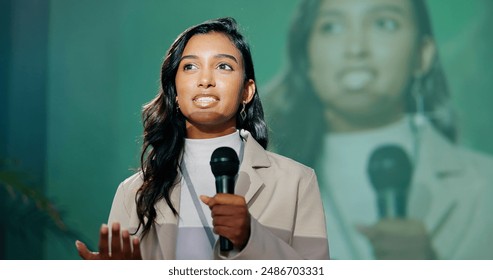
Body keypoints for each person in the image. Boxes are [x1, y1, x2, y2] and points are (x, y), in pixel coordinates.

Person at [75, 17, 329, 260]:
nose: (205, 81)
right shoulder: (134, 192)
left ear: (246, 91)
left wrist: (252, 237)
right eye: (190, 67)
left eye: (223, 66)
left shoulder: (296, 182)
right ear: (174, 92)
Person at [264, 0, 493, 259]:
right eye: (332, 27)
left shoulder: (486, 189)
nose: (355, 49)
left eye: (384, 24)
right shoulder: (250, 191)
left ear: (422, 54)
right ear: (306, 58)